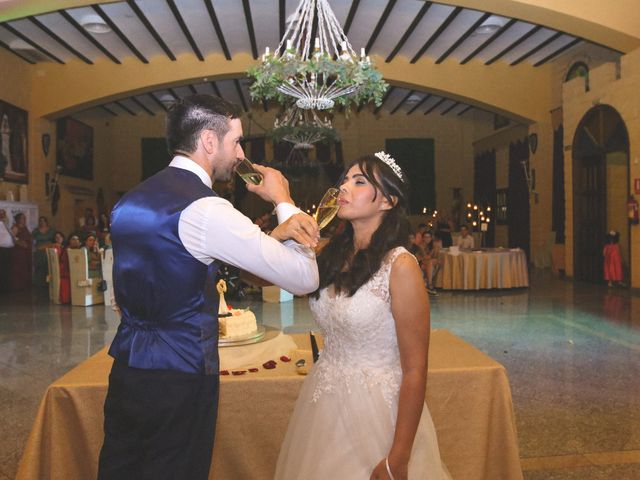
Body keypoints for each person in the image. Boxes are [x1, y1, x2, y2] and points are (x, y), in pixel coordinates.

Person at [97, 94, 319, 480]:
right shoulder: (207, 209)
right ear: (209, 142)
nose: (240, 154)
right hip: (180, 376)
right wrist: (283, 199)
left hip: (128, 369)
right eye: (236, 141)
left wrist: (269, 237)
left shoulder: (129, 201)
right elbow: (305, 278)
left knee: (121, 467)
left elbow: (160, 270)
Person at [275, 153, 450, 480]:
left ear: (387, 200)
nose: (344, 187)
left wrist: (397, 458)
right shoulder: (328, 253)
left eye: (359, 182)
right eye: (344, 180)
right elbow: (257, 273)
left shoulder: (400, 266)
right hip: (324, 403)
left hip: (378, 413)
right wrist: (280, 233)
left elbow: (415, 369)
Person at [10, 212, 32, 292]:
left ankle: (24, 286)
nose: (25, 219)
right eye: (23, 218)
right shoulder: (15, 227)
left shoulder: (25, 227)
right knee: (19, 269)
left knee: (25, 268)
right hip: (19, 252)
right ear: (18, 219)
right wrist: (20, 243)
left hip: (26, 252)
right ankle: (17, 287)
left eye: (25, 218)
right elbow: (12, 239)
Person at [32, 216, 56, 286]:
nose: (42, 222)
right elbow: (32, 241)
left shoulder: (51, 230)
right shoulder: (35, 231)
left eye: (43, 221)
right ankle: (39, 283)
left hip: (48, 251)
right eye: (40, 221)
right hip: (39, 252)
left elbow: (54, 240)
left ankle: (48, 284)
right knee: (39, 267)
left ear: (46, 222)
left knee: (48, 267)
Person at [0, 209, 14, 293]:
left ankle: (5, 288)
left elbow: (10, 234)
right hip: (1, 249)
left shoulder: (6, 224)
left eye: (4, 214)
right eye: (1, 214)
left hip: (8, 249)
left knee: (6, 269)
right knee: (2, 269)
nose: (2, 216)